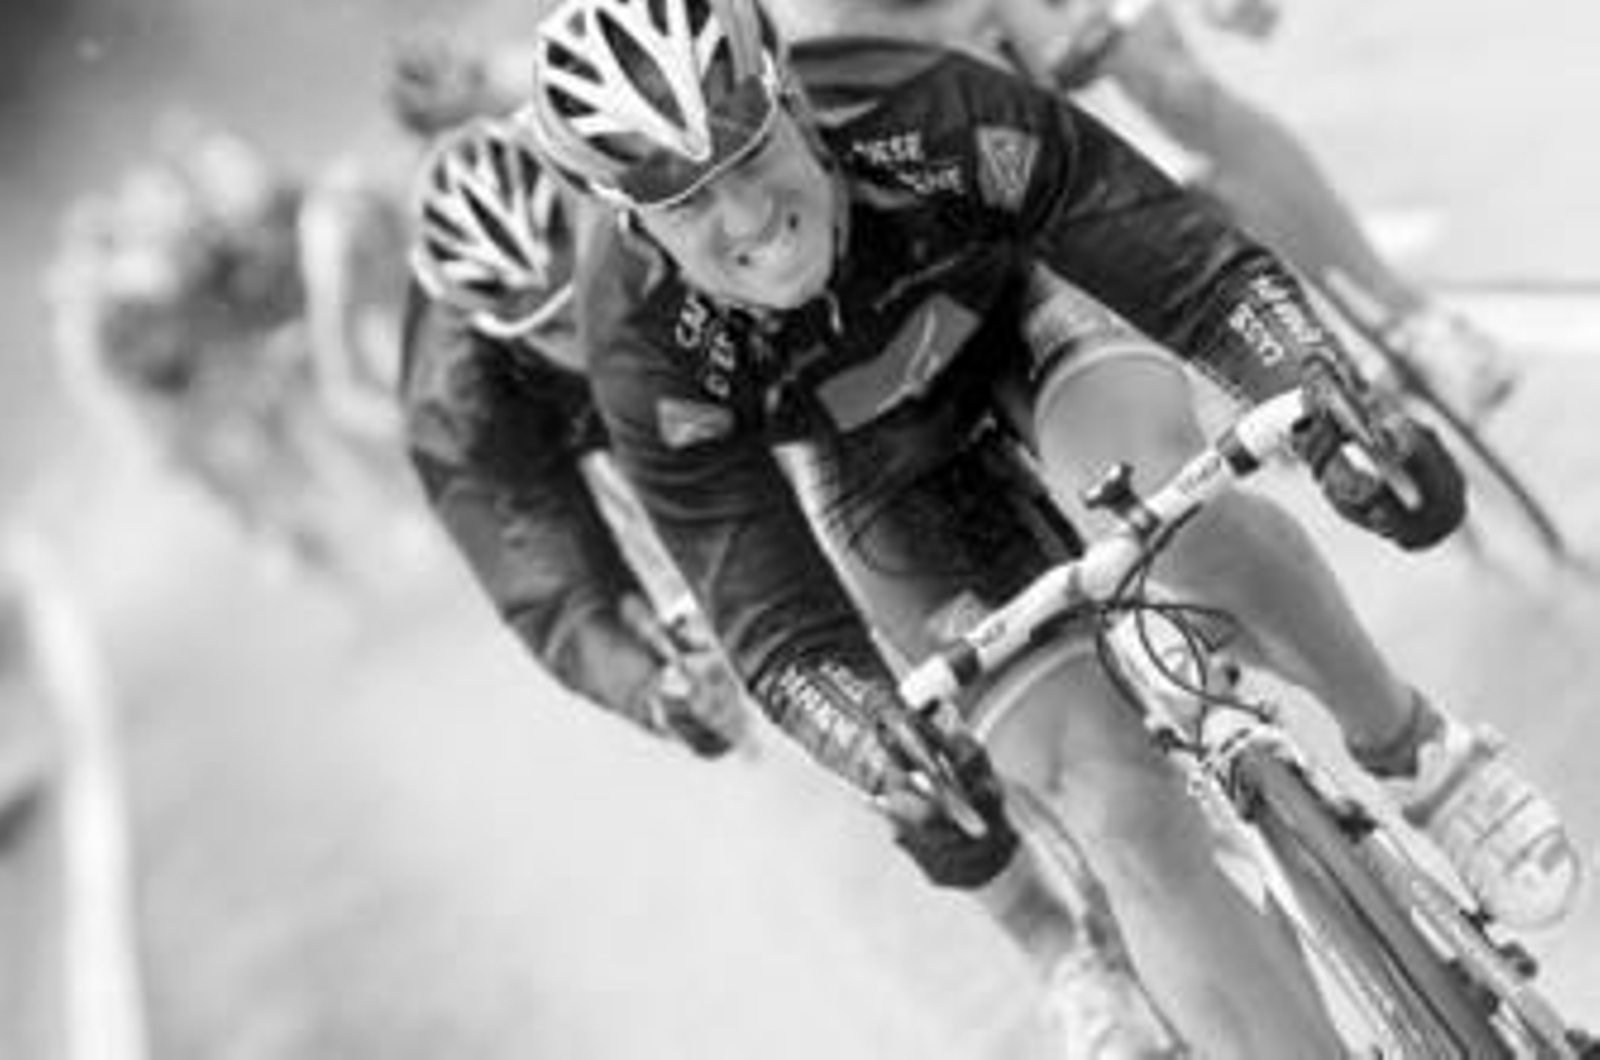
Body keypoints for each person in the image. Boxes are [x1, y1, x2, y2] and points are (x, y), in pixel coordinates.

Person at [522, 1, 1581, 1054]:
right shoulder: (640, 344)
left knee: (1179, 514)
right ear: (632, 220)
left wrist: (1336, 405)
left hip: (1024, 333)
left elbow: (1194, 271)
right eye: (685, 200)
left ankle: (1419, 753)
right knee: (1112, 808)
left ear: (791, 102)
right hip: (882, 476)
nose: (747, 215)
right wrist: (873, 747)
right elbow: (771, 618)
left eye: (751, 153)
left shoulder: (916, 108)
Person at [759, 0, 1518, 420]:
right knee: (1017, 192)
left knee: (1183, 92)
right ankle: (1234, 359)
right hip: (882, 24)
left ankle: (1415, 318)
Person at [402, 116, 750, 760]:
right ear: (497, 332)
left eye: (581, 295)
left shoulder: (627, 169)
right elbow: (552, 590)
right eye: (555, 328)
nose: (588, 333)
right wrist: (656, 692)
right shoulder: (456, 404)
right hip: (546, 422)